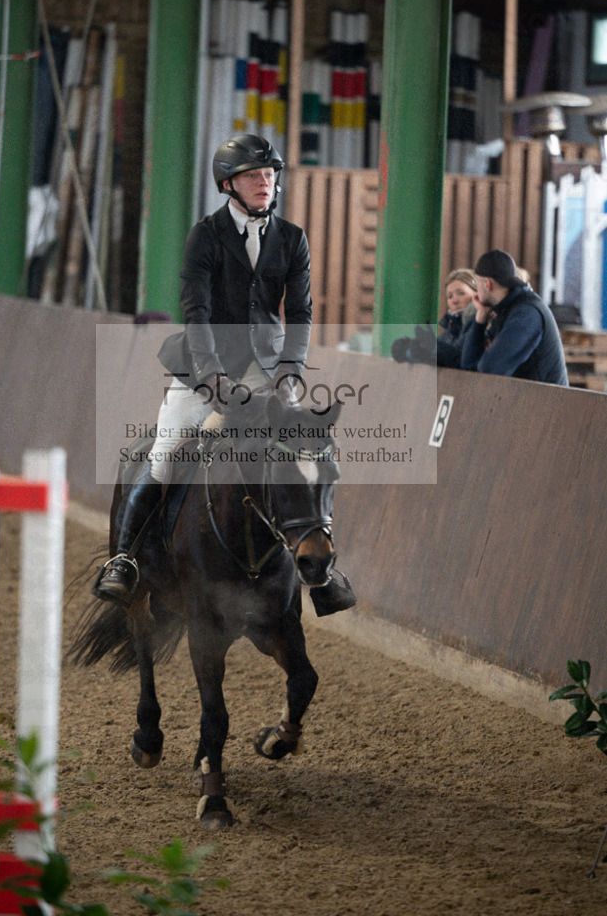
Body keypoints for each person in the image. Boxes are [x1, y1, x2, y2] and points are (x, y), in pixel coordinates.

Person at [94, 133, 356, 617]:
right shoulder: (206, 236)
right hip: (202, 369)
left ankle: (321, 575)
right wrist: (213, 379)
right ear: (228, 184)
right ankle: (125, 558)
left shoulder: (292, 239)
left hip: (268, 373)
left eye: (270, 175)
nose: (266, 183)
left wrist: (289, 373)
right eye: (255, 176)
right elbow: (197, 312)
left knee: (302, 449)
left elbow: (300, 314)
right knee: (166, 452)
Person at [460, 249, 568, 385]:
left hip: (546, 403)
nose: (476, 290)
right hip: (528, 401)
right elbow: (470, 364)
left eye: (476, 282)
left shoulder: (527, 314)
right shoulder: (505, 311)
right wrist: (480, 318)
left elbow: (490, 368)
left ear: (487, 284)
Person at [390, 269, 477, 369]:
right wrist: (412, 351)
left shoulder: (480, 327)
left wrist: (434, 346)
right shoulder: (450, 332)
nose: (454, 300)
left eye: (461, 293)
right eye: (450, 296)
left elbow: (464, 361)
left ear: (477, 295)